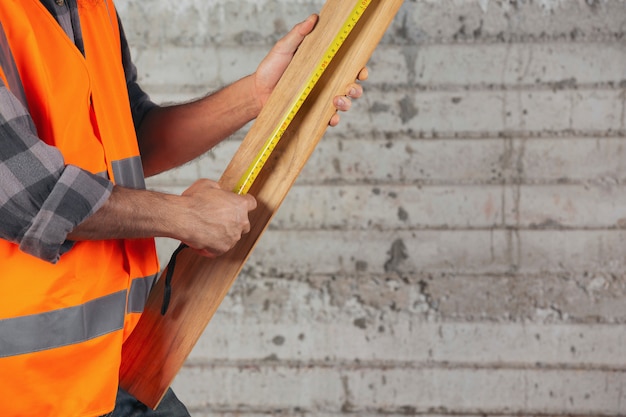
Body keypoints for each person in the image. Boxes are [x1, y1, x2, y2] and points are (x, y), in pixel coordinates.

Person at [0, 0, 366, 416]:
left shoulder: (90, 8)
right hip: (24, 390)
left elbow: (131, 137)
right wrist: (186, 218)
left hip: (117, 364)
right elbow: (30, 197)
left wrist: (257, 95)